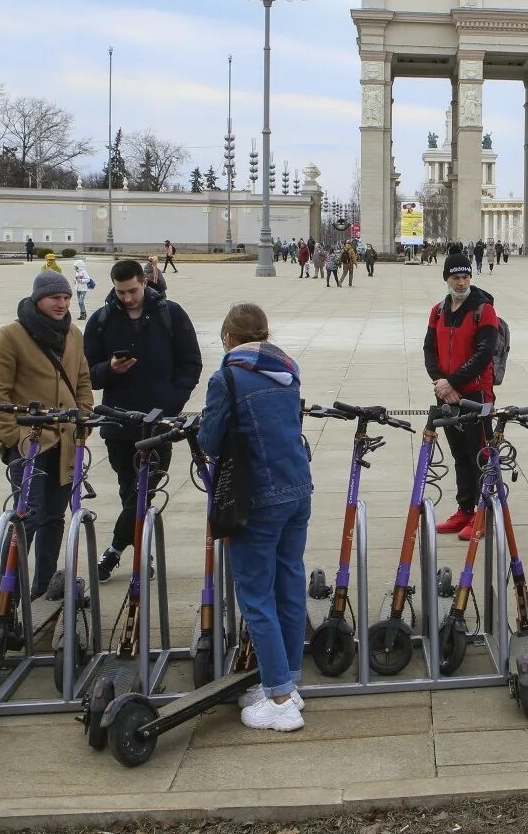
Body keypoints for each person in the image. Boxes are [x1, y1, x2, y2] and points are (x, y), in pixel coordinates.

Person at [196, 302, 311, 732]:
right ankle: (288, 680)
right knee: (289, 584)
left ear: (228, 338)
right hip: (298, 487)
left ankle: (280, 700)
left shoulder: (226, 376)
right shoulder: (288, 367)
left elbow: (209, 437)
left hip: (258, 496)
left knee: (256, 594)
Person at [83, 259, 202, 581]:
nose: (127, 298)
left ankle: (113, 552)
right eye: (121, 292)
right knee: (128, 491)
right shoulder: (102, 320)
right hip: (118, 422)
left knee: (144, 490)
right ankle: (141, 553)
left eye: (132, 290)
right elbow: (86, 374)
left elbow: (191, 363)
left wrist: (172, 403)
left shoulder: (170, 314)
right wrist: (109, 370)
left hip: (159, 424)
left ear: (145, 283)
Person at [0, 270, 93, 600]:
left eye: (66, 298)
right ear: (38, 299)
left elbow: (82, 379)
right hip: (30, 444)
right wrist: (13, 435)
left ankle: (45, 589)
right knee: (25, 517)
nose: (61, 304)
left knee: (55, 518)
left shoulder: (73, 333)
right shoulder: (12, 336)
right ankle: (8, 596)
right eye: (54, 298)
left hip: (67, 442)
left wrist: (82, 415)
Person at [425, 252, 500, 538]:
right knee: (458, 454)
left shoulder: (484, 309)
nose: (461, 282)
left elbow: (485, 353)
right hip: (446, 395)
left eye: (466, 277)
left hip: (475, 396)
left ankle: (483, 513)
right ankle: (465, 510)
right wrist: (440, 382)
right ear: (446, 279)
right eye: (456, 277)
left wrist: (453, 383)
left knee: (478, 454)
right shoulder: (438, 311)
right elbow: (428, 349)